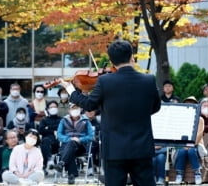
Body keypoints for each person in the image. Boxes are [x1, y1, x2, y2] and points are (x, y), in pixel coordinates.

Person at [59, 39, 161, 186]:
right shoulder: (149, 80)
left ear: (112, 61)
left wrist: (70, 89)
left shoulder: (105, 81)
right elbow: (156, 107)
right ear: (132, 57)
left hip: (114, 147)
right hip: (142, 147)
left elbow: (89, 105)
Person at [54, 103, 94, 184]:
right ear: (69, 110)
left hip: (81, 146)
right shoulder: (63, 120)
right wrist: (69, 139)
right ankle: (71, 176)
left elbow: (90, 136)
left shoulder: (86, 121)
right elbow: (59, 135)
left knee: (70, 147)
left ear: (80, 110)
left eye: (77, 109)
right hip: (66, 145)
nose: (75, 110)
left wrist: (79, 139)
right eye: (73, 109)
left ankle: (62, 163)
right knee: (70, 149)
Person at [173, 97, 204, 185]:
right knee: (182, 151)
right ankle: (179, 174)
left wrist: (191, 145)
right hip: (182, 144)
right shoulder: (181, 119)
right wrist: (183, 145)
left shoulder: (200, 119)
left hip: (197, 145)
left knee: (191, 151)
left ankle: (197, 173)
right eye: (188, 103)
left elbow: (199, 133)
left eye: (192, 103)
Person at [38, 101, 62, 172]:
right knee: (45, 141)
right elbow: (41, 130)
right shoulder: (44, 120)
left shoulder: (61, 119)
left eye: (55, 107)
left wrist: (48, 128)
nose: (53, 108)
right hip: (47, 142)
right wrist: (53, 131)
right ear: (48, 109)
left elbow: (62, 129)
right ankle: (49, 161)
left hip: (58, 143)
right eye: (51, 107)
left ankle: (49, 163)